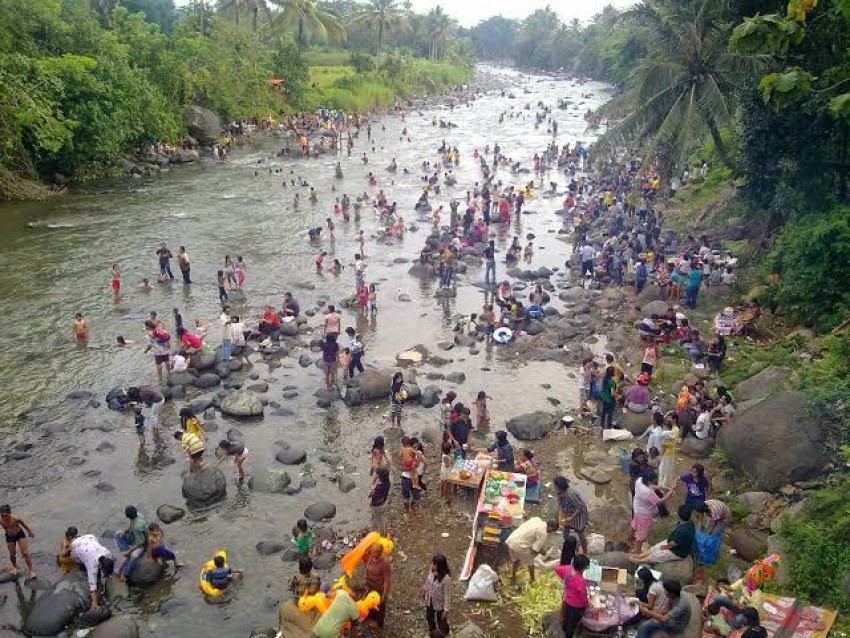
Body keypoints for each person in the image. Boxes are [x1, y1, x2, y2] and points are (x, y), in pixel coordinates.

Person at [64, 528, 115, 610]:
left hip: (89, 537)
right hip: (79, 552)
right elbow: (92, 588)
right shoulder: (93, 566)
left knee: (96, 577)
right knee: (93, 577)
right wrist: (94, 603)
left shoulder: (107, 552)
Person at [629, 505, 696, 564]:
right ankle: (640, 556)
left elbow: (672, 544)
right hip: (674, 544)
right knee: (655, 548)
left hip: (677, 552)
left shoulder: (682, 531)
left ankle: (639, 561)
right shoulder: (689, 522)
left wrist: (664, 547)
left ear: (679, 515)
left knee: (656, 555)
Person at [505, 517, 560, 585]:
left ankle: (513, 578)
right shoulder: (544, 534)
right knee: (530, 563)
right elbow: (534, 550)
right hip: (520, 546)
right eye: (552, 531)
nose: (551, 532)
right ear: (550, 528)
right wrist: (542, 552)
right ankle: (532, 579)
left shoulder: (536, 519)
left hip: (511, 540)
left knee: (515, 561)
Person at [631, 472, 673, 552]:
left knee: (635, 524)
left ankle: (630, 537)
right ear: (649, 481)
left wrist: (661, 487)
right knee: (641, 535)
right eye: (654, 480)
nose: (655, 481)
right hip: (645, 514)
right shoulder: (649, 493)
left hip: (637, 507)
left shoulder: (639, 480)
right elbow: (659, 502)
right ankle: (637, 551)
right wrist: (669, 494)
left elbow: (650, 486)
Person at [555, 554, 590, 638]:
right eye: (586, 567)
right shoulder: (580, 581)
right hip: (575, 605)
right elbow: (583, 596)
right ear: (582, 568)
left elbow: (557, 569)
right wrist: (586, 604)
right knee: (572, 622)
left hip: (567, 599)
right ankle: (569, 635)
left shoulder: (568, 569)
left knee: (566, 616)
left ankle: (564, 627)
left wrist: (564, 578)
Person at [554, 476, 589, 555]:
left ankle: (585, 552)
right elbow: (560, 504)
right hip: (567, 514)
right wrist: (560, 514)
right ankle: (572, 548)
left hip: (578, 516)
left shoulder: (570, 494)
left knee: (580, 533)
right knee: (565, 533)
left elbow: (580, 507)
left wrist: (571, 517)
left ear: (559, 486)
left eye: (555, 485)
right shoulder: (559, 492)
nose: (554, 487)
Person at [0, 505, 35, 578]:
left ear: (9, 513)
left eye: (5, 516)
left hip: (19, 534)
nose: (4, 517)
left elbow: (24, 525)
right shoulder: (0, 519)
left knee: (25, 553)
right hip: (9, 536)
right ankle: (15, 567)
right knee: (12, 554)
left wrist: (30, 532)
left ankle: (31, 570)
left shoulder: (16, 519)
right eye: (2, 515)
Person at [363, 542, 392, 629]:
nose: (371, 552)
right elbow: (367, 568)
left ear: (379, 553)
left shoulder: (385, 563)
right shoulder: (371, 557)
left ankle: (379, 624)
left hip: (379, 588)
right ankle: (371, 620)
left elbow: (387, 580)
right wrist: (365, 581)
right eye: (371, 550)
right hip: (370, 585)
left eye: (373, 551)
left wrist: (384, 595)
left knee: (379, 608)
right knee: (369, 604)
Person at [116, 505, 148, 581]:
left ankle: (125, 574)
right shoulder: (138, 515)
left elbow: (140, 542)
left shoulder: (137, 527)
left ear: (128, 516)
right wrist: (125, 531)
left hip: (142, 543)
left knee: (134, 556)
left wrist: (130, 551)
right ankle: (126, 550)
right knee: (118, 534)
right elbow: (131, 526)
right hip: (135, 536)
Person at [424, 554, 452, 636]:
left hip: (440, 603)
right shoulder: (432, 572)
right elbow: (428, 581)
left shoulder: (446, 579)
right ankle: (432, 631)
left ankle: (442, 633)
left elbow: (447, 594)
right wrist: (424, 589)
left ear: (439, 566)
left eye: (434, 564)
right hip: (430, 600)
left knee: (441, 620)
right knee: (429, 617)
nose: (431, 565)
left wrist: (446, 609)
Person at [369, 467, 390, 535]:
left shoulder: (380, 487)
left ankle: (381, 535)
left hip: (378, 505)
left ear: (380, 476)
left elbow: (375, 497)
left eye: (377, 474)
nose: (376, 475)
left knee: (377, 520)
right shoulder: (387, 482)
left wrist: (371, 502)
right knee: (383, 517)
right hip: (384, 502)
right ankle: (386, 531)